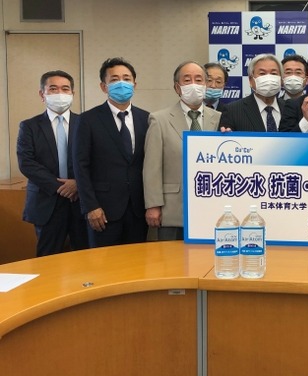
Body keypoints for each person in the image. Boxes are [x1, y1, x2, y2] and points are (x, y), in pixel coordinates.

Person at [73, 57, 149, 247]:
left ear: (135, 84)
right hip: (102, 210)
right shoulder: (87, 120)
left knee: (137, 261)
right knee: (103, 262)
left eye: (126, 79)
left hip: (138, 209)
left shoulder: (147, 119)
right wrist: (90, 206)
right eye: (114, 79)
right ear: (103, 86)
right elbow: (80, 166)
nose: (121, 83)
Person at [144, 61, 221, 240]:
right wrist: (153, 205)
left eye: (199, 80)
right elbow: (152, 168)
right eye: (187, 80)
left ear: (205, 85)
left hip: (211, 208)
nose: (194, 84)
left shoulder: (219, 119)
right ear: (177, 87)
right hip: (173, 210)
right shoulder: (159, 119)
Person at [16, 70, 88, 256]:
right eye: (53, 89)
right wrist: (61, 187)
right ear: (42, 94)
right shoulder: (29, 126)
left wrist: (77, 183)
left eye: (65, 89)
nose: (60, 93)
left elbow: (96, 160)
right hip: (46, 202)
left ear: (73, 93)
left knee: (85, 257)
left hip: (81, 201)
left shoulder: (86, 123)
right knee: (47, 257)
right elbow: (27, 163)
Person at [219, 54, 285, 132]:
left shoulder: (289, 109)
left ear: (281, 79)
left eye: (273, 73)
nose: (268, 78)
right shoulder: (232, 111)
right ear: (250, 80)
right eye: (262, 73)